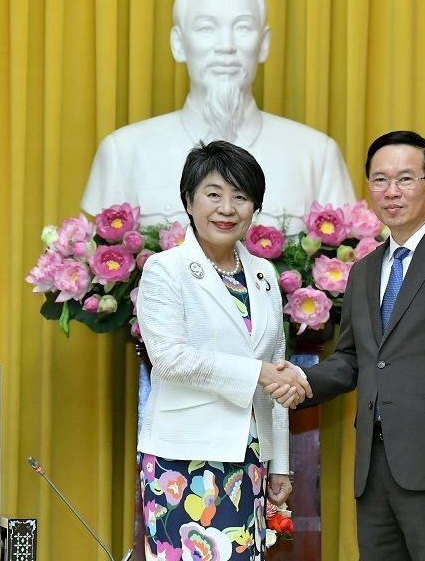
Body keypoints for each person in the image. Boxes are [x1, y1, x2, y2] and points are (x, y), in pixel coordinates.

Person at [267, 131, 425, 560]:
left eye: (405, 179)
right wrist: (300, 380)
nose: (392, 192)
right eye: (380, 180)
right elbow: (352, 361)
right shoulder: (363, 270)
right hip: (374, 468)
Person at [135, 140, 311, 559]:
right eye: (213, 194)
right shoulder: (165, 270)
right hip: (182, 461)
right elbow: (171, 359)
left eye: (241, 196)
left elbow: (277, 366)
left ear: (255, 208)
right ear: (189, 201)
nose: (227, 208)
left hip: (248, 458)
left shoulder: (264, 274)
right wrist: (258, 374)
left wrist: (279, 461)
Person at [81, 0, 355, 233]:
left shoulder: (317, 156)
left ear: (264, 44)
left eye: (243, 27)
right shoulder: (124, 152)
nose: (226, 45)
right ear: (178, 43)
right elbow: (99, 271)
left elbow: (349, 268)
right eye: (206, 28)